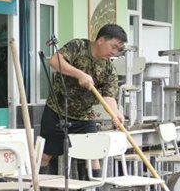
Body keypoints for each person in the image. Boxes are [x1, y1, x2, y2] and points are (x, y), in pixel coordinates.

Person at [39, 24, 127, 176]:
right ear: (101, 40)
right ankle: (39, 189)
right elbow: (54, 61)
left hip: (84, 116)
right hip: (57, 111)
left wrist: (115, 114)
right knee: (46, 155)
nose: (114, 52)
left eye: (118, 49)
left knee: (92, 156)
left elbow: (109, 96)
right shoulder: (79, 46)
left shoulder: (109, 70)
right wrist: (79, 74)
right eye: (113, 47)